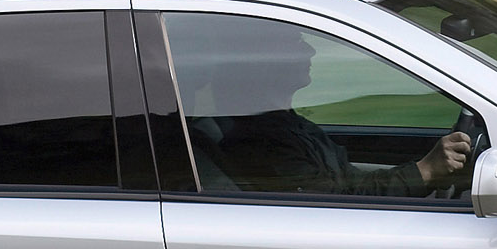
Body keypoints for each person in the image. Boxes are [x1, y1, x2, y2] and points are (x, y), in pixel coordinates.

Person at [180, 27, 472, 198]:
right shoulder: (261, 144)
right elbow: (341, 203)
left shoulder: (283, 124)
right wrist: (425, 171)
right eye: (296, 43)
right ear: (264, 62)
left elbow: (346, 182)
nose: (311, 51)